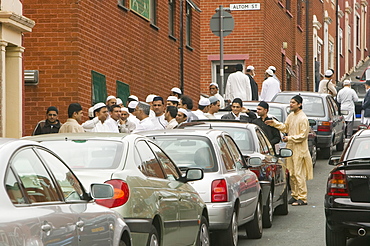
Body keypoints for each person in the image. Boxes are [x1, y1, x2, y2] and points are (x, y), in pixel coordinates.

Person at [265, 95, 313, 206]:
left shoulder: (303, 118)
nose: (291, 104)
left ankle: (302, 197)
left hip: (300, 149)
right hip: (290, 147)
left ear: (299, 104)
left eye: (293, 103)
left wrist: (289, 138)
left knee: (298, 173)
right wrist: (274, 124)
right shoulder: (291, 115)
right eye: (290, 102)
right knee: (291, 172)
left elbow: (303, 136)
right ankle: (295, 195)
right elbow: (286, 128)